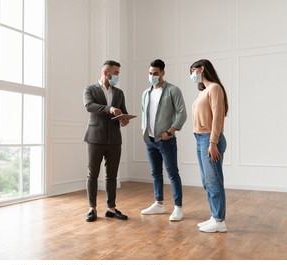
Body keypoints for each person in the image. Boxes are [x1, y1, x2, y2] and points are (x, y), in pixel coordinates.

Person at [83, 60, 130, 222]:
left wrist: (124, 119)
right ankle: (92, 209)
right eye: (116, 73)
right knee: (93, 174)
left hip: (115, 139)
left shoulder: (119, 93)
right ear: (106, 72)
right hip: (95, 138)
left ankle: (111, 208)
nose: (118, 76)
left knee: (112, 176)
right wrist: (109, 109)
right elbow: (89, 106)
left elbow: (123, 111)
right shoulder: (90, 89)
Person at [140, 59, 187, 221]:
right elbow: (144, 114)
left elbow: (182, 113)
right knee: (155, 173)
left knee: (173, 173)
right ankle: (158, 204)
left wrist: (170, 131)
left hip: (166, 139)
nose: (152, 76)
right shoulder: (146, 93)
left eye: (155, 73)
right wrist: (144, 133)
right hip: (150, 140)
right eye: (150, 73)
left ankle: (178, 208)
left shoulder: (172, 90)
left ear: (162, 73)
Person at [190, 59, 229, 233]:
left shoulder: (214, 88)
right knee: (207, 182)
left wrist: (213, 143)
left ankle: (220, 221)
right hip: (200, 139)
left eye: (193, 70)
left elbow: (218, 117)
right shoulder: (204, 91)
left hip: (210, 139)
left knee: (214, 181)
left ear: (202, 69)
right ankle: (214, 216)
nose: (192, 74)